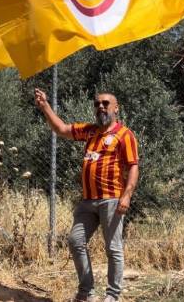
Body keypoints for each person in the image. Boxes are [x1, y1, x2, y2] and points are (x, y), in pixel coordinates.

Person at [34, 88, 139, 302]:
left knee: (113, 248)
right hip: (88, 202)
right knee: (75, 240)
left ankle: (112, 295)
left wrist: (126, 195)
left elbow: (133, 167)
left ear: (116, 108)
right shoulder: (90, 131)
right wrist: (45, 106)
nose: (101, 106)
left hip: (112, 199)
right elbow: (62, 129)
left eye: (106, 103)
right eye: (97, 104)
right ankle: (86, 293)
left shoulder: (124, 135)